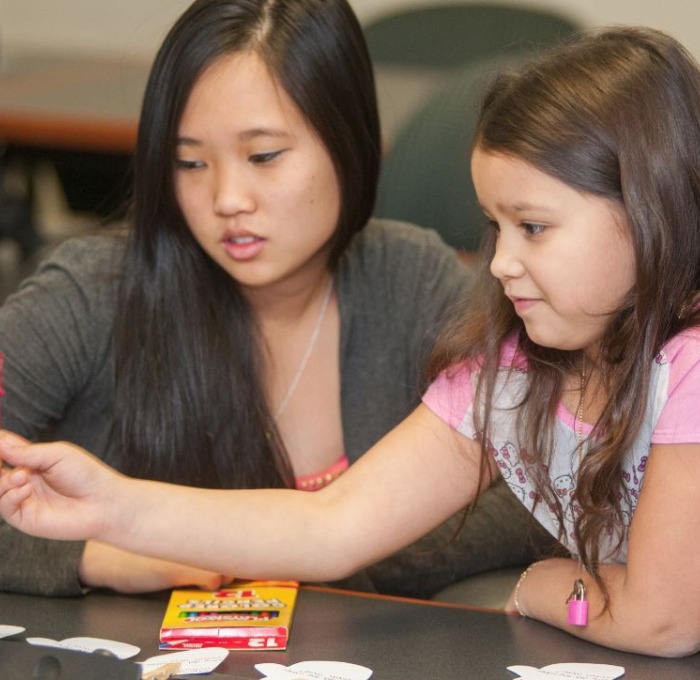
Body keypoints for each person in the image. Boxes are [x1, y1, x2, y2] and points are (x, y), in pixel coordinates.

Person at [5, 23, 697, 656]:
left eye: (534, 228)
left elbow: (660, 619)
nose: (498, 263)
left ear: (648, 212)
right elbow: (332, 524)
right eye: (494, 228)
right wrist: (111, 508)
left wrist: (542, 585)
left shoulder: (687, 365)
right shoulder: (511, 374)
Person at [0, 0, 549, 597]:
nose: (227, 197)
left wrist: (336, 545)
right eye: (189, 162)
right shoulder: (91, 292)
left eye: (263, 156)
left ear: (347, 142)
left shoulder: (413, 281)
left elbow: (544, 487)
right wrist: (95, 557)